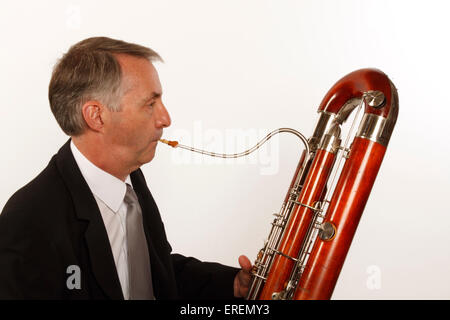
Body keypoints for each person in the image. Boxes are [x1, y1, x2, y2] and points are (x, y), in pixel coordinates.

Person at [0, 37, 252, 300]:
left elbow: (151, 274)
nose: (165, 118)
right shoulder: (28, 222)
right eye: (150, 104)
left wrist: (232, 284)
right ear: (96, 116)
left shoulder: (131, 178)